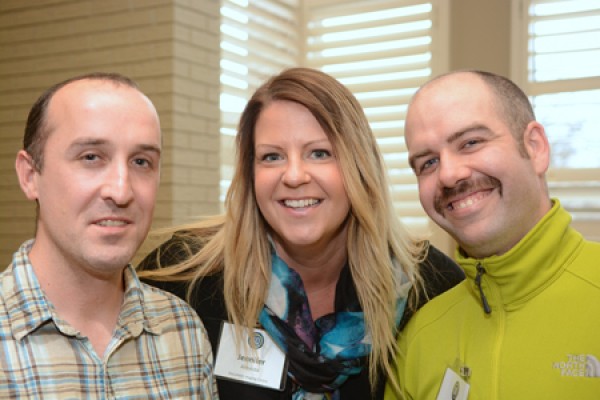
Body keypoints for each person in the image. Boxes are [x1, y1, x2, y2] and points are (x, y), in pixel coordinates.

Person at [138, 67, 464, 399]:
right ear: (250, 173)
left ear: (360, 165)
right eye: (272, 156)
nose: (294, 175)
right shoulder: (185, 279)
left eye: (319, 153)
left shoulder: (429, 287)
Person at [384, 70, 600, 399]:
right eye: (428, 162)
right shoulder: (417, 340)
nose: (449, 174)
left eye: (470, 143)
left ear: (535, 147)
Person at [2, 72, 218, 399]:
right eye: (91, 157)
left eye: (141, 161)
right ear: (31, 175)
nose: (121, 191)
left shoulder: (183, 332)